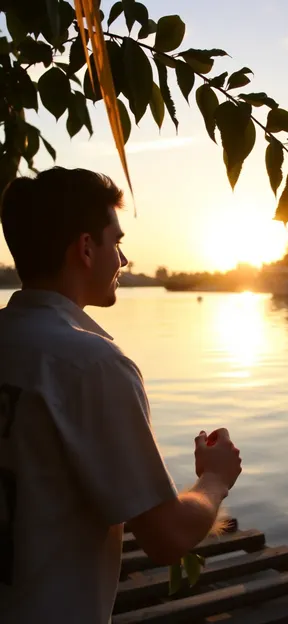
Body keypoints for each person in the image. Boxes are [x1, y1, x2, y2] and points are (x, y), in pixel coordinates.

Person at [0, 167, 242, 623]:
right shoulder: (92, 365)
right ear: (86, 249)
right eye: (116, 241)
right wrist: (215, 479)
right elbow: (166, 537)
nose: (124, 258)